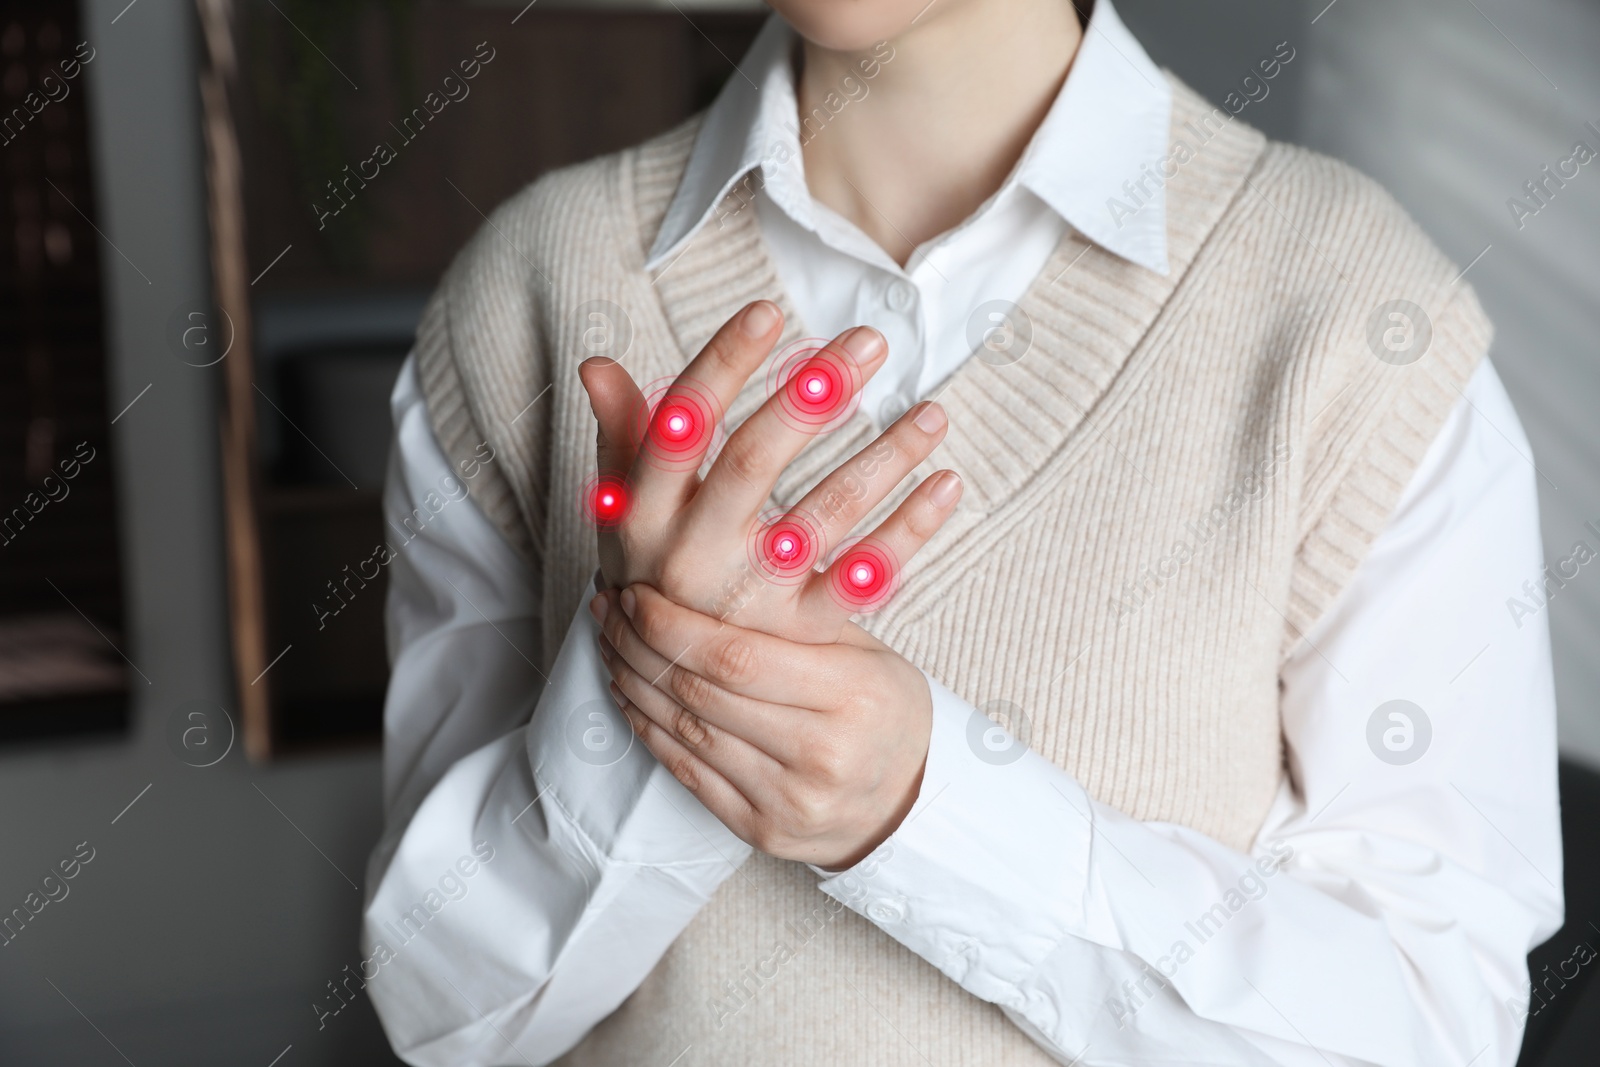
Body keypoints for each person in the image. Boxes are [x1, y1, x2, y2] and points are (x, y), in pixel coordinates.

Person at [360, 0, 1563, 1063]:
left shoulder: (1356, 320)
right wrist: (653, 697)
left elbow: (1430, 1020)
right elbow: (438, 1011)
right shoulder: (529, 288)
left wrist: (926, 808)